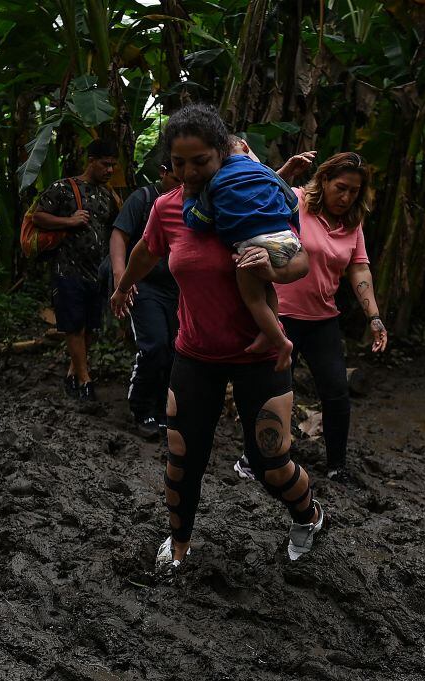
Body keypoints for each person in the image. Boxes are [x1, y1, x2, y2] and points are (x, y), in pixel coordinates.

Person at [110, 105, 325, 570]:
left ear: (222, 155)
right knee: (182, 459)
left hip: (260, 354)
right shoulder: (168, 209)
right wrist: (124, 286)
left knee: (271, 462)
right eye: (179, 163)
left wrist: (268, 266)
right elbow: (148, 251)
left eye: (200, 162)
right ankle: (179, 542)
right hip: (196, 355)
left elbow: (300, 262)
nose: (188, 173)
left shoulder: (254, 196)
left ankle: (308, 517)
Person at [234, 152, 387, 485]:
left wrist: (373, 316)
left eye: (354, 192)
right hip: (281, 314)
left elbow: (359, 267)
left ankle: (336, 466)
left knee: (336, 392)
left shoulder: (352, 223)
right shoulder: (299, 200)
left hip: (322, 320)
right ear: (325, 180)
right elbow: (256, 191)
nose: (346, 197)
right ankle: (252, 459)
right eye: (340, 187)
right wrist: (286, 169)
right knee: (273, 391)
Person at [181, 127, 305, 371]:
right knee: (267, 286)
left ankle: (281, 342)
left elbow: (198, 221)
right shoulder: (266, 171)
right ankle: (268, 330)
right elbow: (292, 201)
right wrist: (295, 233)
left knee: (254, 298)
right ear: (246, 148)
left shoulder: (215, 181)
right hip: (286, 239)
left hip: (252, 245)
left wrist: (188, 199)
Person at [33, 138, 121, 402]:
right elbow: (38, 216)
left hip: (97, 271)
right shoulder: (63, 188)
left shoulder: (109, 196)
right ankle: (85, 380)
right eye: (105, 165)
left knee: (91, 326)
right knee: (74, 327)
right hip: (67, 268)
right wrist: (68, 221)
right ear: (91, 161)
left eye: (113, 166)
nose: (109, 171)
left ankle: (74, 371)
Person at [109, 159, 182, 438]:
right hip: (144, 285)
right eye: (176, 178)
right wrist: (121, 276)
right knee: (154, 347)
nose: (181, 183)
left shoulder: (192, 198)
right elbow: (120, 234)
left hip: (178, 289)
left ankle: (163, 409)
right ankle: (142, 408)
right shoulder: (144, 198)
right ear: (163, 172)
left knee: (177, 351)